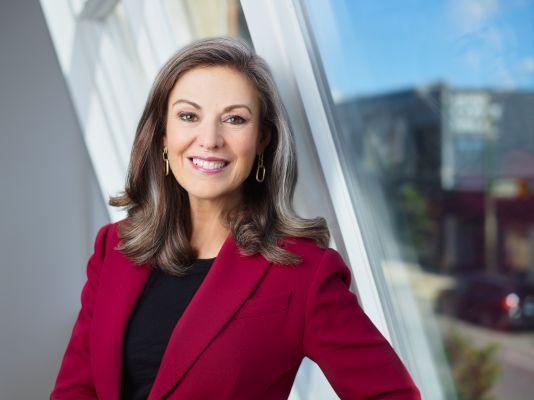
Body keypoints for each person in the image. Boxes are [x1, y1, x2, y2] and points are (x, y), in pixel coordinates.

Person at [50, 36, 421, 400]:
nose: (209, 139)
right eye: (188, 116)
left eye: (234, 119)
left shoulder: (305, 273)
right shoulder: (113, 247)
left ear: (262, 141)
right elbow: (76, 389)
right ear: (163, 134)